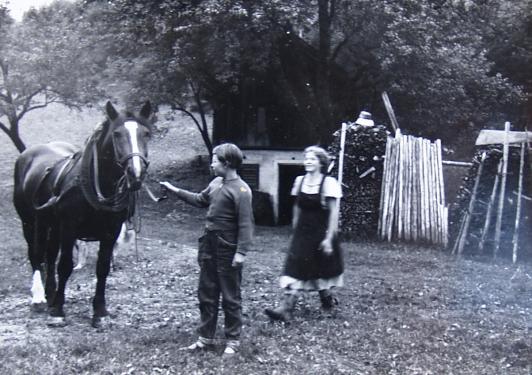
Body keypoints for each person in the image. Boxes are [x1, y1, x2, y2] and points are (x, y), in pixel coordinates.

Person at [159, 143, 253, 356]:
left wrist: (241, 252)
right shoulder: (215, 183)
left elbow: (246, 225)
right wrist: (173, 189)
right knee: (207, 293)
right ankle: (205, 339)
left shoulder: (241, 190)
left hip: (227, 248)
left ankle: (233, 341)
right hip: (208, 245)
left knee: (230, 296)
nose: (211, 163)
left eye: (214, 159)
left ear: (226, 163)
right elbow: (199, 200)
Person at [265, 146, 343, 322]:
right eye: (306, 158)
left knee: (321, 270)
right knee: (296, 268)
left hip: (321, 233)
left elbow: (333, 214)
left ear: (321, 162)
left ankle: (327, 302)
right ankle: (286, 308)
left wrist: (329, 239)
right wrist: (295, 230)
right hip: (302, 233)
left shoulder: (328, 183)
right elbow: (297, 208)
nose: (308, 161)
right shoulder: (300, 181)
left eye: (312, 159)